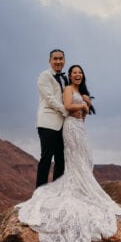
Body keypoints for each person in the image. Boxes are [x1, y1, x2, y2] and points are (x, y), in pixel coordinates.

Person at [18, 64, 121, 242]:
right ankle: (65, 191)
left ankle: (80, 189)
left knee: (83, 160)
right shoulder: (69, 90)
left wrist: (84, 105)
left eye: (80, 73)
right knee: (74, 159)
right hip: (70, 128)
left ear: (83, 76)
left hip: (79, 128)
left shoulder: (82, 92)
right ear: (71, 76)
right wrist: (83, 105)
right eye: (74, 73)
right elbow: (67, 106)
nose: (77, 75)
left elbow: (83, 117)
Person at [35, 48, 68, 187]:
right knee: (46, 158)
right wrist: (65, 110)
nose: (58, 61)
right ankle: (40, 192)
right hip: (47, 123)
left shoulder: (65, 78)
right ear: (50, 61)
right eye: (55, 59)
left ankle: (57, 191)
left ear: (64, 60)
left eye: (61, 58)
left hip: (62, 125)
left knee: (61, 159)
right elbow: (49, 98)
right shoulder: (44, 75)